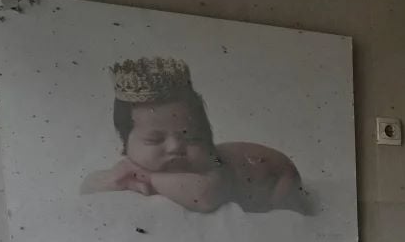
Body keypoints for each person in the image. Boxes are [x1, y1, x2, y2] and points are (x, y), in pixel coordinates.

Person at [80, 56, 310, 214]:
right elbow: (89, 185)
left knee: (284, 213)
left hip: (276, 177)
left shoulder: (210, 165)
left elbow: (205, 196)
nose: (175, 147)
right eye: (154, 140)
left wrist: (149, 178)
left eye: (191, 138)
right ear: (125, 144)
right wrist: (113, 179)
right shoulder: (133, 165)